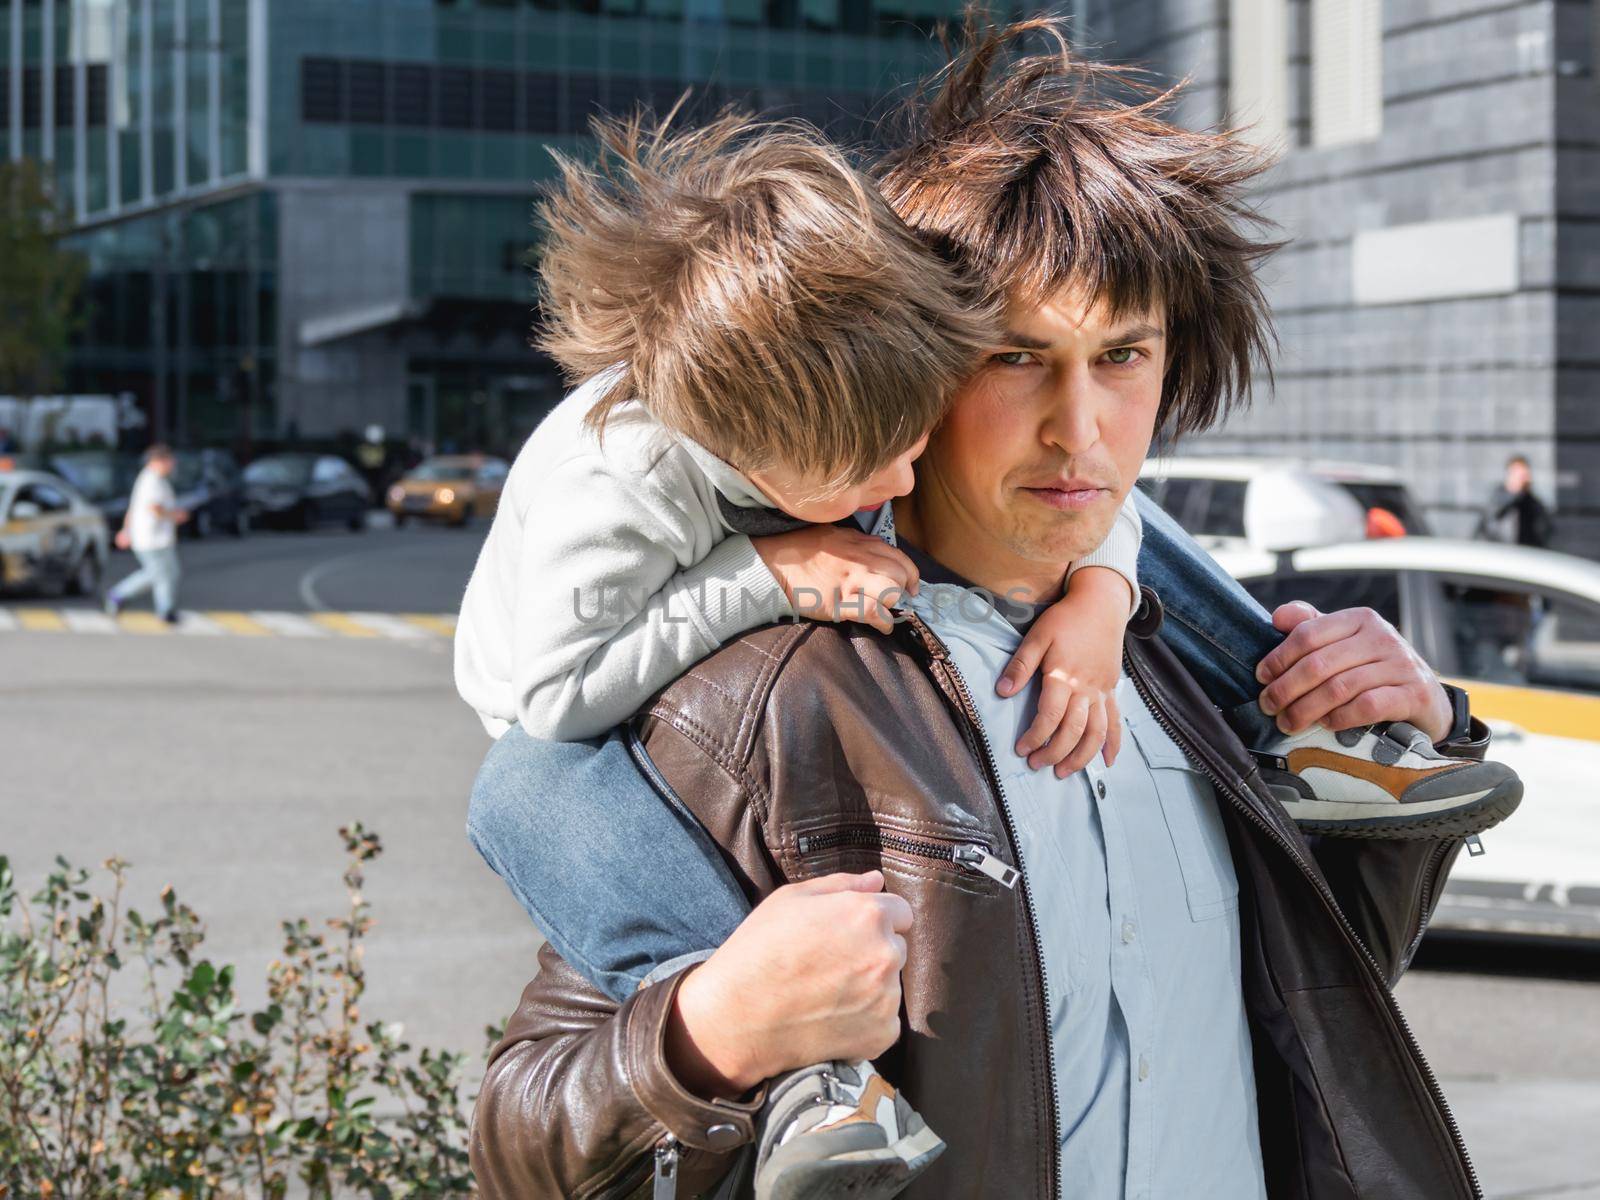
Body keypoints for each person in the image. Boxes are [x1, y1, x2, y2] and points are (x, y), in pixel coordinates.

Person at [456, 34, 1520, 1200]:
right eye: (1017, 356)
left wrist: (1408, 732)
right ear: (913, 363)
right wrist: (709, 1035)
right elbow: (524, 1152)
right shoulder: (755, 701)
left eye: (1122, 355)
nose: (1081, 430)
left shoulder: (1180, 666)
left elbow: (1321, 1003)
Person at [105, 444, 188, 623]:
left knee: (169, 572)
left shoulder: (153, 479)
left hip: (159, 538)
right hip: (151, 538)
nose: (173, 464)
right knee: (157, 573)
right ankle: (119, 594)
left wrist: (125, 530)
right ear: (159, 461)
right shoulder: (151, 481)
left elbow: (133, 508)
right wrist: (176, 515)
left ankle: (166, 609)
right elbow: (154, 509)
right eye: (170, 461)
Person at [1476, 453, 1554, 548]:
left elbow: (1544, 531)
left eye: (1524, 475)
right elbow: (1488, 530)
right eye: (1519, 475)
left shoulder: (1533, 503)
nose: (1524, 479)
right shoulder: (1497, 501)